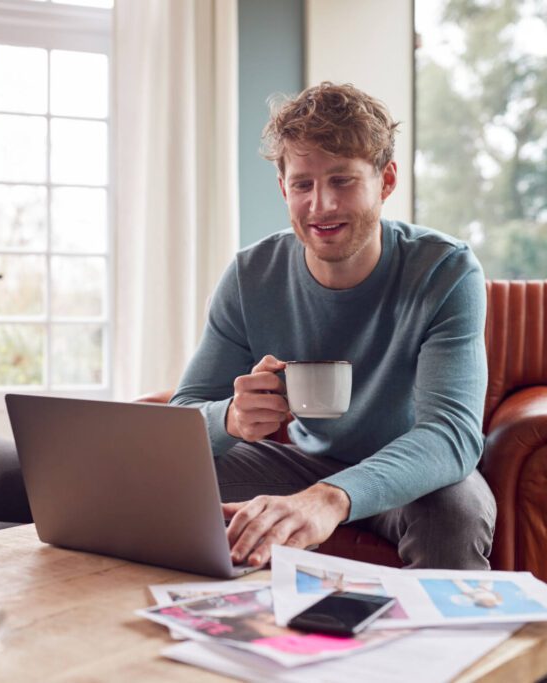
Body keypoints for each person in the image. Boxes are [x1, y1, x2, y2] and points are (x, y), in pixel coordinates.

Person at [170, 82, 495, 571]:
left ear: (386, 181)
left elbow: (449, 435)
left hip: (412, 473)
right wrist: (233, 417)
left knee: (456, 512)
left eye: (342, 180)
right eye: (303, 184)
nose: (321, 206)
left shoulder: (444, 270)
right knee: (154, 480)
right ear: (284, 187)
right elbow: (182, 419)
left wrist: (329, 499)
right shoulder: (249, 275)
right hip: (298, 463)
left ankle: (436, 648)